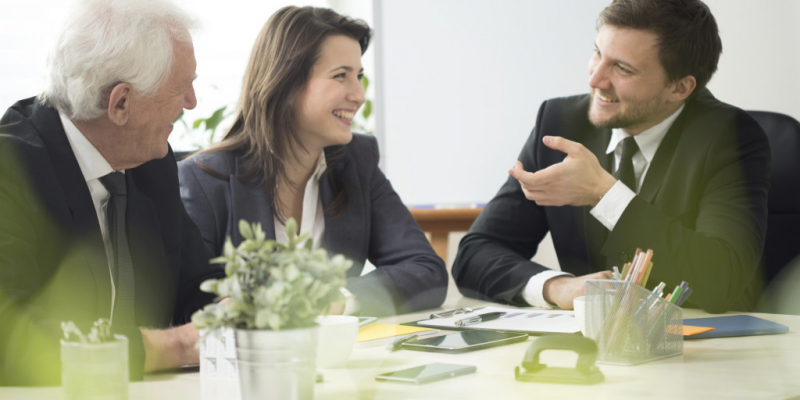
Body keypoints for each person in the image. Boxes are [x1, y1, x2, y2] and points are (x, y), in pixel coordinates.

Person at [453, 0, 770, 313]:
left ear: (679, 88)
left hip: (700, 350)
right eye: (598, 54)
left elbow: (723, 280)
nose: (595, 80)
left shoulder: (730, 137)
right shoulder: (560, 122)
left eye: (622, 68)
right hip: (587, 350)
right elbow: (474, 255)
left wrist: (605, 195)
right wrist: (557, 287)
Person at [0, 0, 224, 386]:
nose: (192, 103)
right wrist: (175, 346)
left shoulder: (150, 160)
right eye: (182, 86)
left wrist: (234, 308)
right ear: (121, 103)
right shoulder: (10, 168)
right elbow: (9, 335)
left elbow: (198, 282)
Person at [178, 6, 447, 317]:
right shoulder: (203, 180)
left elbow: (426, 270)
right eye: (341, 76)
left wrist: (335, 299)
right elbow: (188, 309)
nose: (359, 95)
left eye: (358, 76)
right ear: (286, 81)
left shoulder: (357, 162)